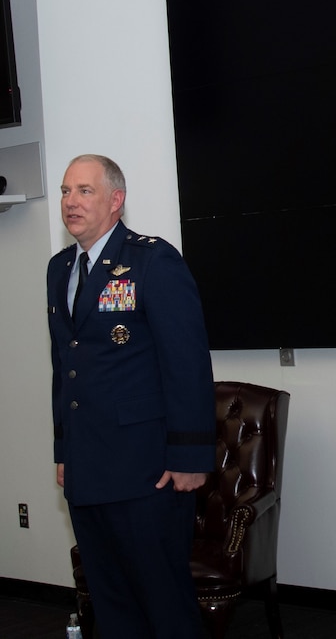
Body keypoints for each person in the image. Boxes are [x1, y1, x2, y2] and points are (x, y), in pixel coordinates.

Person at [47, 154, 215, 638]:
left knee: (164, 604)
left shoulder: (151, 260)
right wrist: (63, 450)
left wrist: (190, 455)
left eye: (84, 191)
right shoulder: (60, 269)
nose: (70, 202)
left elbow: (186, 364)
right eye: (64, 191)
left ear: (115, 200)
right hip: (87, 468)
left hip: (147, 471)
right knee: (112, 605)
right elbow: (66, 370)